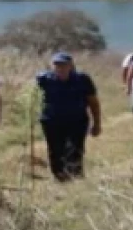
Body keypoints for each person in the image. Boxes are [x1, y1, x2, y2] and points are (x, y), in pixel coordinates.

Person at [35, 53, 102, 182]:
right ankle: (59, 177)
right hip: (51, 121)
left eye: (64, 65)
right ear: (52, 66)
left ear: (71, 66)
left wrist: (97, 123)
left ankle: (75, 177)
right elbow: (32, 98)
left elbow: (93, 102)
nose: (60, 68)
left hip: (77, 121)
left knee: (75, 149)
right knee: (55, 150)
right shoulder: (44, 80)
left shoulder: (82, 80)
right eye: (57, 65)